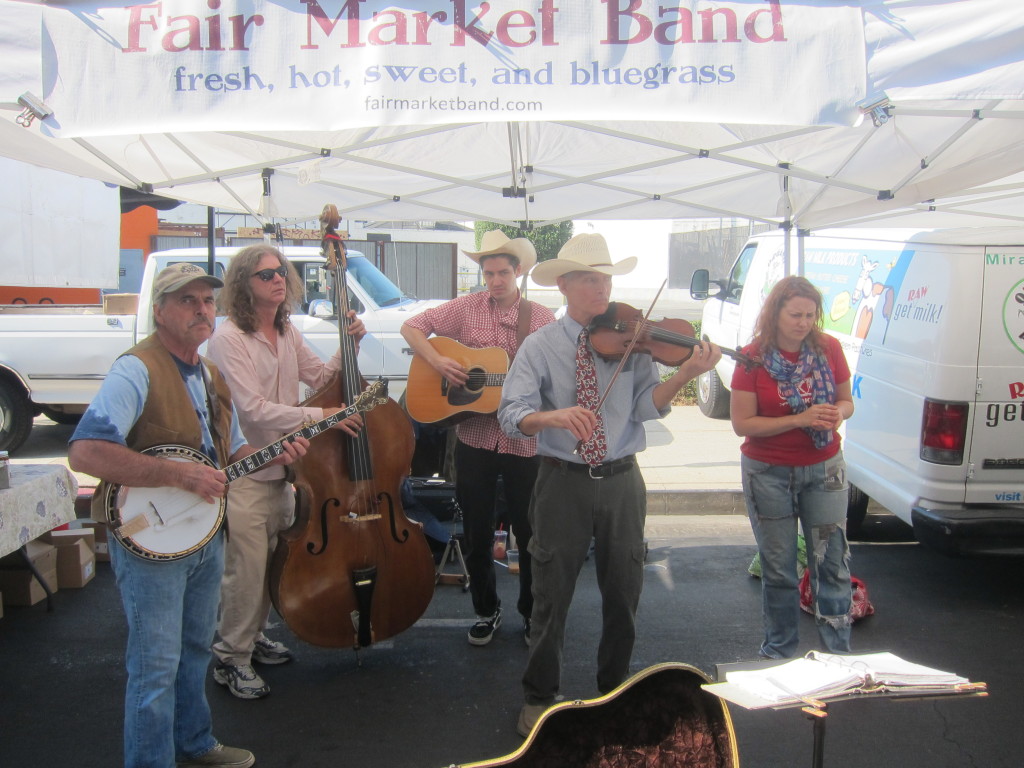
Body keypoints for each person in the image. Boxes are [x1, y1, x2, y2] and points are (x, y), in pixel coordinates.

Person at [68, 263, 308, 768]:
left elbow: (233, 452)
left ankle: (195, 743)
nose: (203, 310)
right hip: (151, 540)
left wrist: (277, 452)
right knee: (154, 667)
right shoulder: (136, 369)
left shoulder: (210, 374)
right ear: (159, 311)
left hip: (203, 534)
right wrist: (180, 477)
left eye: (207, 301)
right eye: (188, 301)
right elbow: (86, 452)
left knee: (196, 649)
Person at [497, 233, 722, 737]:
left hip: (622, 479)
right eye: (592, 279)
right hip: (562, 482)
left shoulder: (633, 339)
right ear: (565, 285)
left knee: (624, 591)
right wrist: (554, 416)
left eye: (607, 279)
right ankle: (540, 697)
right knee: (551, 592)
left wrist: (685, 371)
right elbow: (511, 415)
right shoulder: (539, 346)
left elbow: (647, 406)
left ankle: (615, 692)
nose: (603, 288)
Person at [206, 243, 364, 699]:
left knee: (271, 564)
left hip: (289, 471)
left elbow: (318, 378)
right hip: (248, 472)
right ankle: (230, 658)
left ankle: (252, 639)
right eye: (266, 274)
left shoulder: (287, 330)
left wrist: (347, 345)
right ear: (243, 285)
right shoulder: (229, 338)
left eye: (281, 272)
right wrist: (323, 417)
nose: (278, 279)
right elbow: (252, 411)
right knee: (246, 569)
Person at [401, 230, 555, 647]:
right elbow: (411, 326)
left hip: (525, 444)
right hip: (473, 440)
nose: (495, 281)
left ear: (518, 271)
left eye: (503, 273)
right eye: (488, 273)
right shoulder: (466, 309)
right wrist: (437, 360)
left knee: (530, 531)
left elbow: (555, 377)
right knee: (476, 531)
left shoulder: (540, 318)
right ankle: (486, 610)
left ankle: (530, 613)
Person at [730, 275, 855, 660]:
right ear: (775, 313)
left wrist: (836, 414)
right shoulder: (751, 357)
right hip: (768, 472)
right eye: (795, 314)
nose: (803, 323)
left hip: (824, 468)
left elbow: (847, 402)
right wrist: (799, 419)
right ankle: (780, 651)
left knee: (831, 564)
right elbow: (742, 424)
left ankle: (837, 655)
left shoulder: (829, 348)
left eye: (810, 315)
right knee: (779, 569)